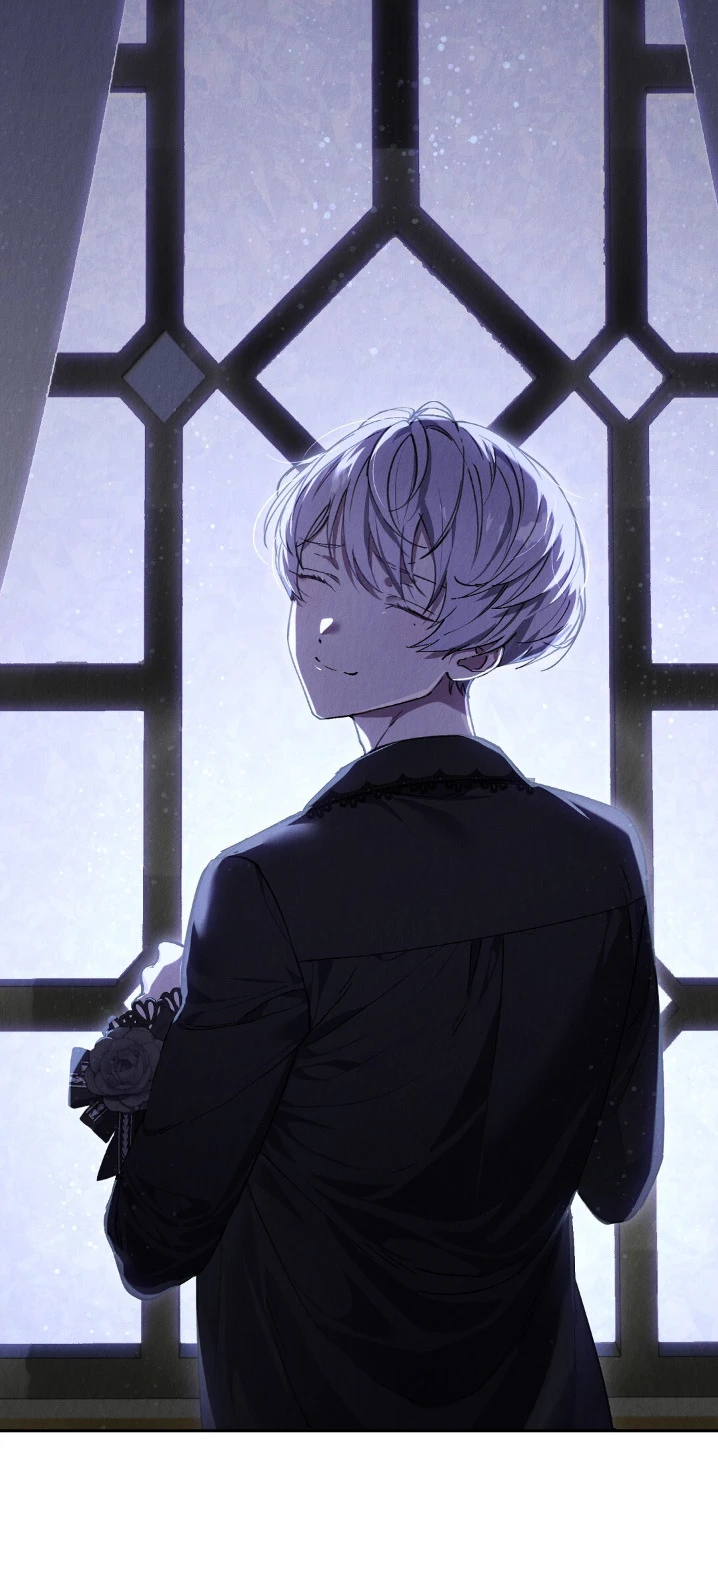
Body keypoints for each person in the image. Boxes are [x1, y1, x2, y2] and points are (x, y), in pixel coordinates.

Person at [104, 402, 662, 1429]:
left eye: (371, 583)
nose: (314, 621)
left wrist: (156, 1026)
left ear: (478, 622)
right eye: (306, 583)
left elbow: (154, 1241)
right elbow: (618, 1184)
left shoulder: (266, 888)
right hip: (541, 1420)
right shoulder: (598, 859)